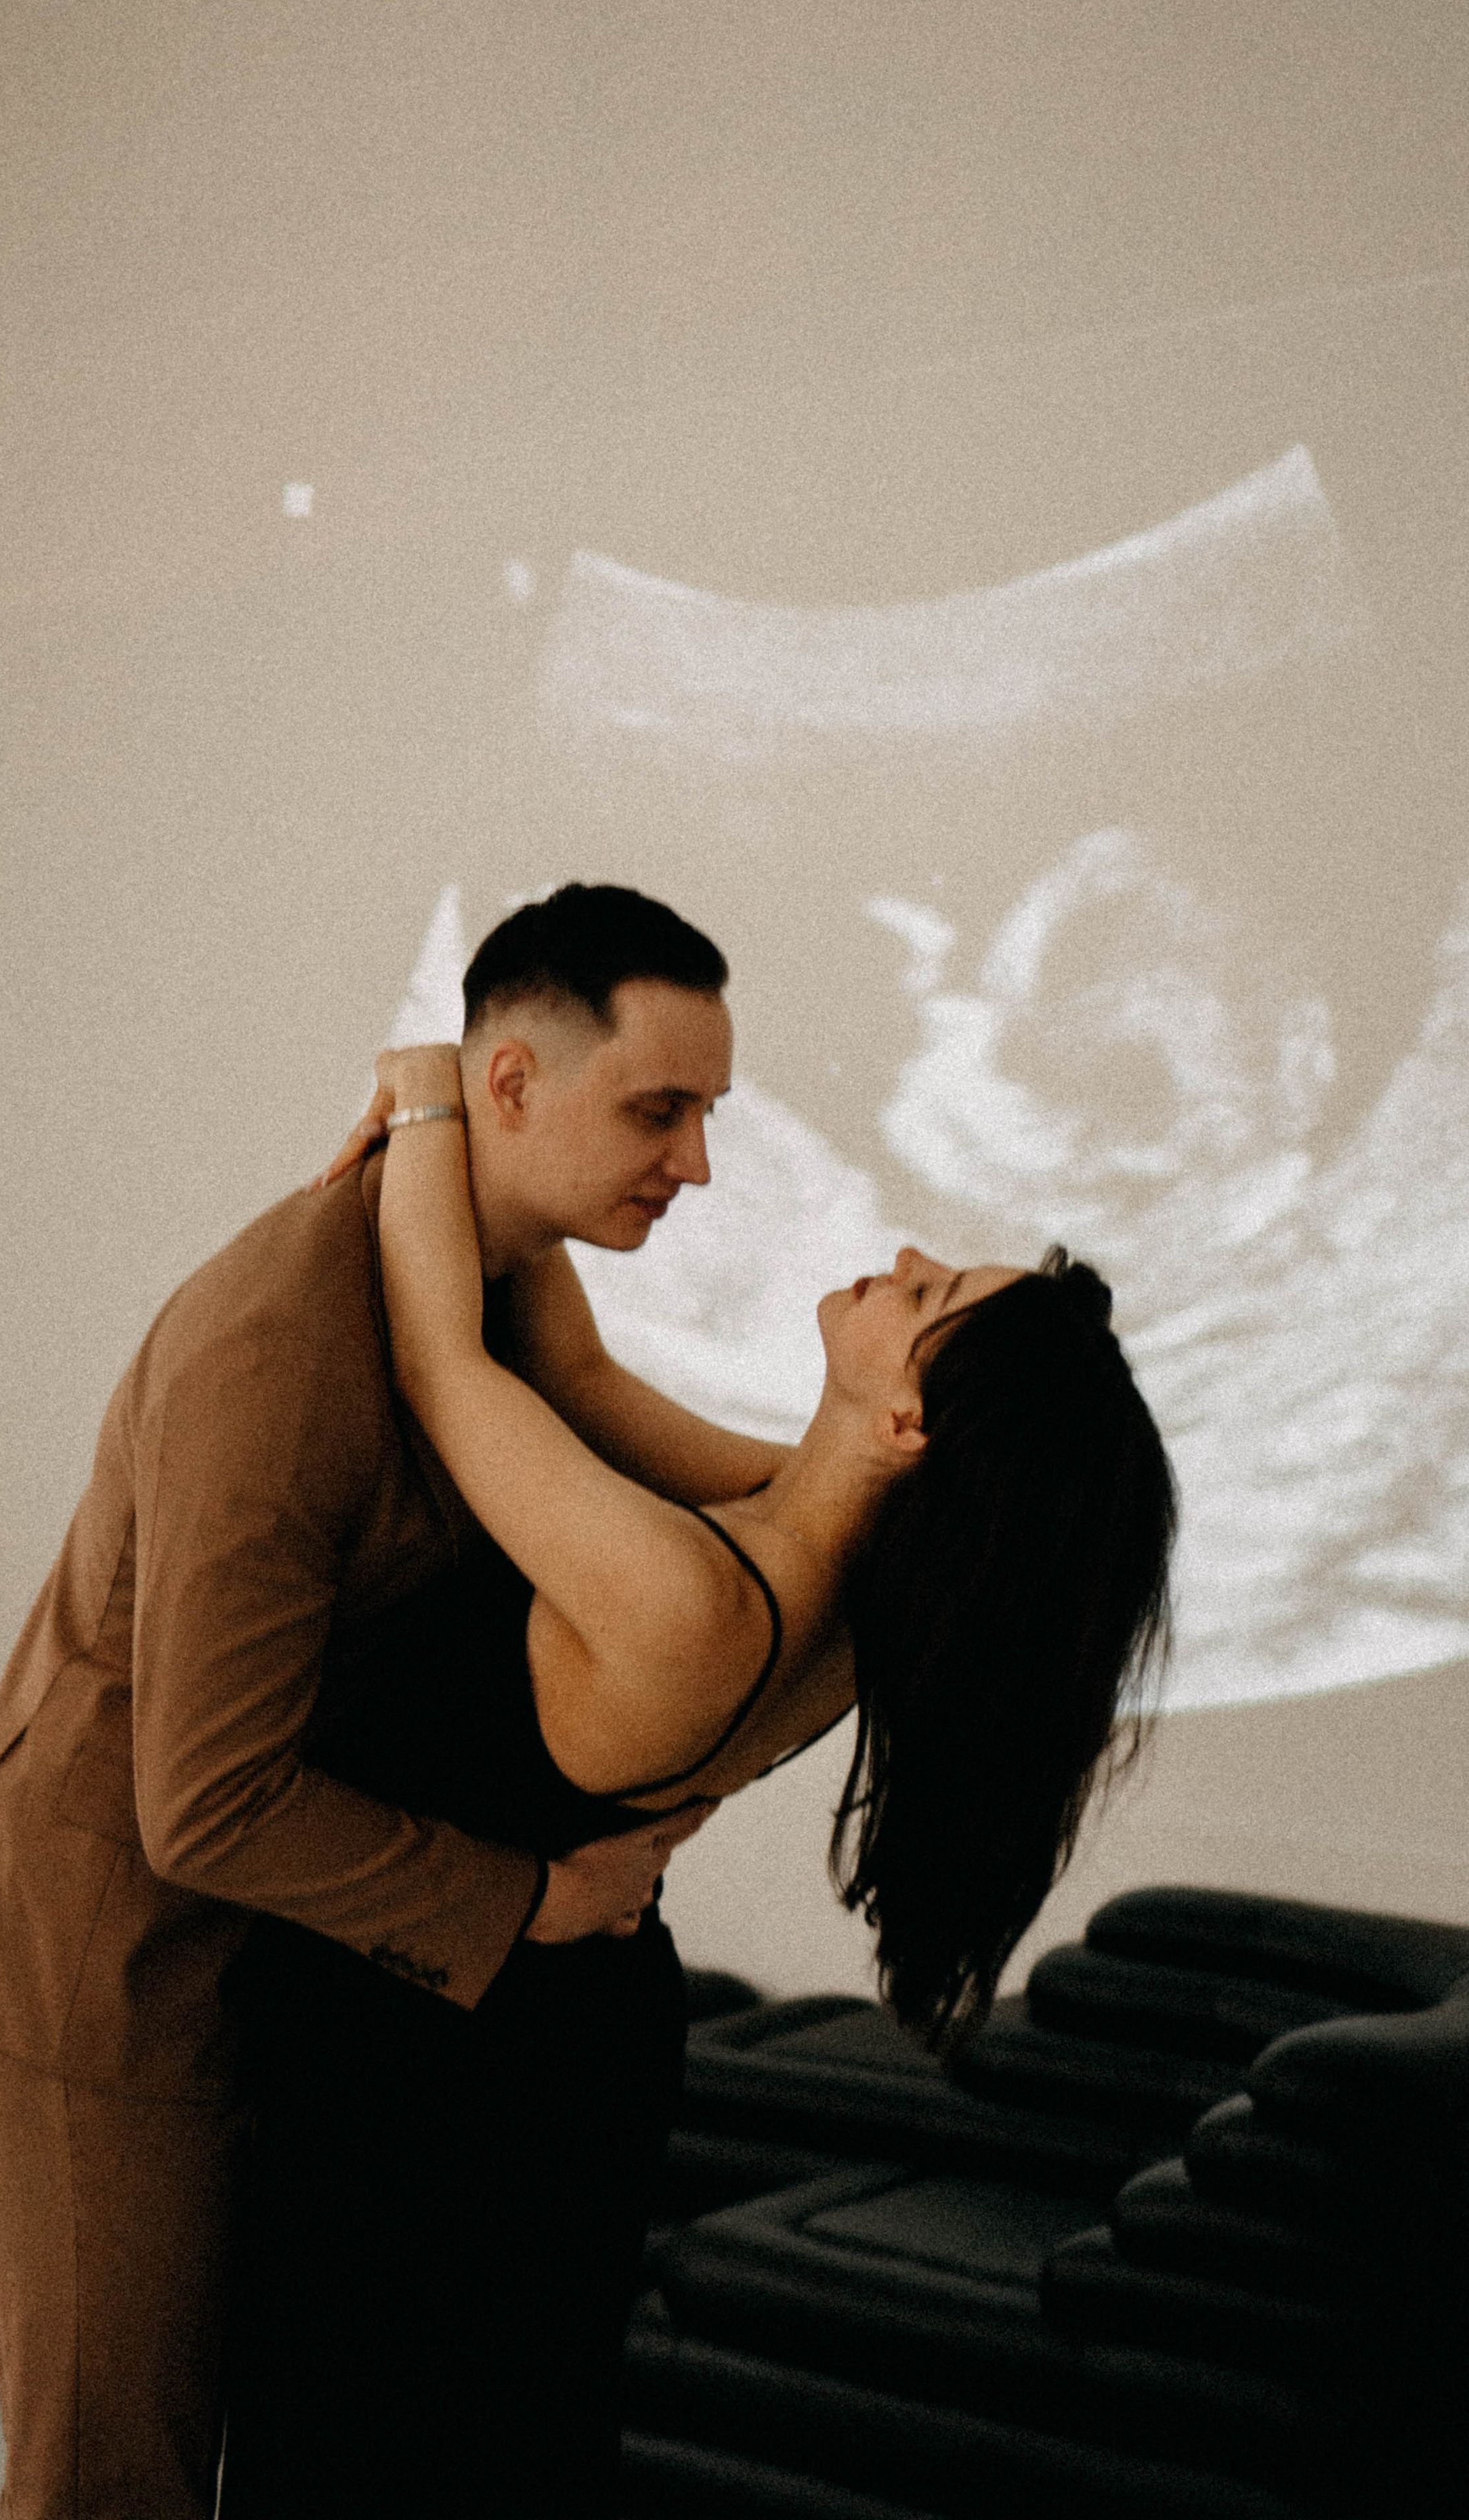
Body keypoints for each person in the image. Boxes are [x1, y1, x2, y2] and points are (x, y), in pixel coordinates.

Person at [0, 886, 791, 2520]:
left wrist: (872, 1488)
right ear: (509, 1084)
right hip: (98, 1942)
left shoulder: (505, 1277)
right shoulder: (281, 1345)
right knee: (115, 2475)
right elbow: (205, 1802)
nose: (696, 1164)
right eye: (658, 1111)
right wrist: (529, 1901)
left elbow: (639, 1435)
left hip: (273, 1939)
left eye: (706, 1115)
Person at [216, 1032, 1177, 2517]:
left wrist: (426, 1089)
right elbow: (573, 1371)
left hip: (442, 2075)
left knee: (374, 2467)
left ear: (908, 1426)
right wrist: (525, 1143)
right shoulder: (827, 1571)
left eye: (929, 1296)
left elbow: (442, 1366)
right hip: (544, 2037)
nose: (903, 1259)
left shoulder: (693, 1603)